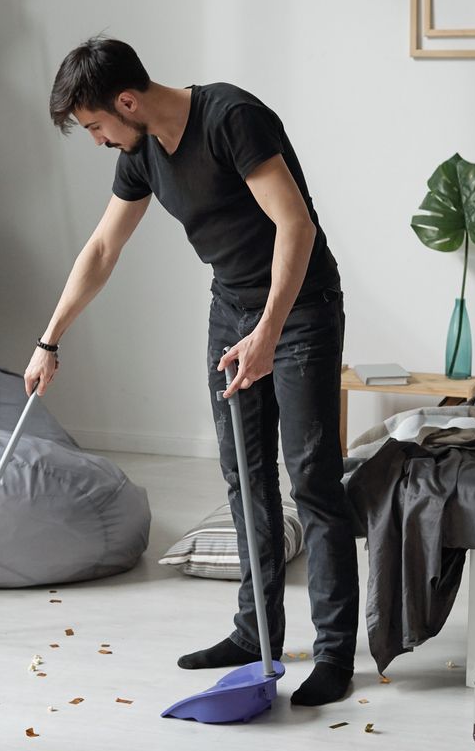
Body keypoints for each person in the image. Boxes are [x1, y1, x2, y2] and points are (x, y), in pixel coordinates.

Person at [26, 37, 358, 706]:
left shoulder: (231, 119)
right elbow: (101, 247)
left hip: (300, 311)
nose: (96, 140)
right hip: (231, 309)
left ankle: (333, 652)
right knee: (244, 474)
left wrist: (267, 334)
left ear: (127, 100)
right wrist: (49, 339)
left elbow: (295, 227)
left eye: (95, 125)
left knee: (313, 477)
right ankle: (254, 630)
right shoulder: (140, 150)